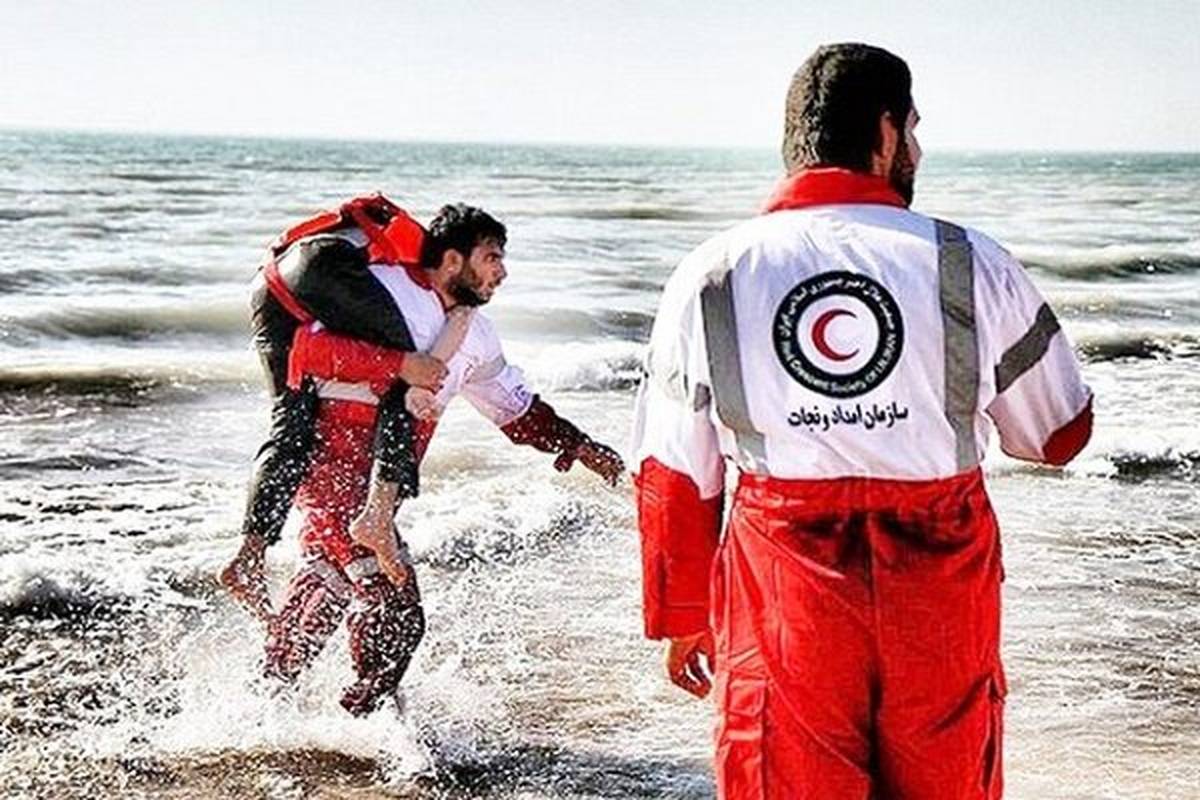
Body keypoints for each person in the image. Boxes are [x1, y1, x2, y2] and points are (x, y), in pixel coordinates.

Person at [631, 43, 1093, 798]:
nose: (917, 150)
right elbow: (1057, 436)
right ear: (885, 133)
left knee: (782, 771)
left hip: (785, 589)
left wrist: (683, 613)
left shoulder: (711, 274)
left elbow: (674, 471)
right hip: (939, 588)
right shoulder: (971, 260)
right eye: (913, 129)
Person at [263, 203, 625, 716]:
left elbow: (514, 408)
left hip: (375, 486)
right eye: (492, 257)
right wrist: (393, 365)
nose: (503, 272)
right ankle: (364, 727)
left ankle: (268, 711)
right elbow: (303, 349)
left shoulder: (475, 333)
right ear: (453, 260)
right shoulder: (380, 290)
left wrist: (577, 444)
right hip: (333, 464)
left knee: (332, 583)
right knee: (395, 610)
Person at [221, 194, 448, 620]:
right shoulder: (428, 261)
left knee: (290, 428)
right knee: (409, 370)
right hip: (321, 264)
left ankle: (249, 556)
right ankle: (377, 516)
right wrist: (404, 363)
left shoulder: (388, 237)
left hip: (270, 288)